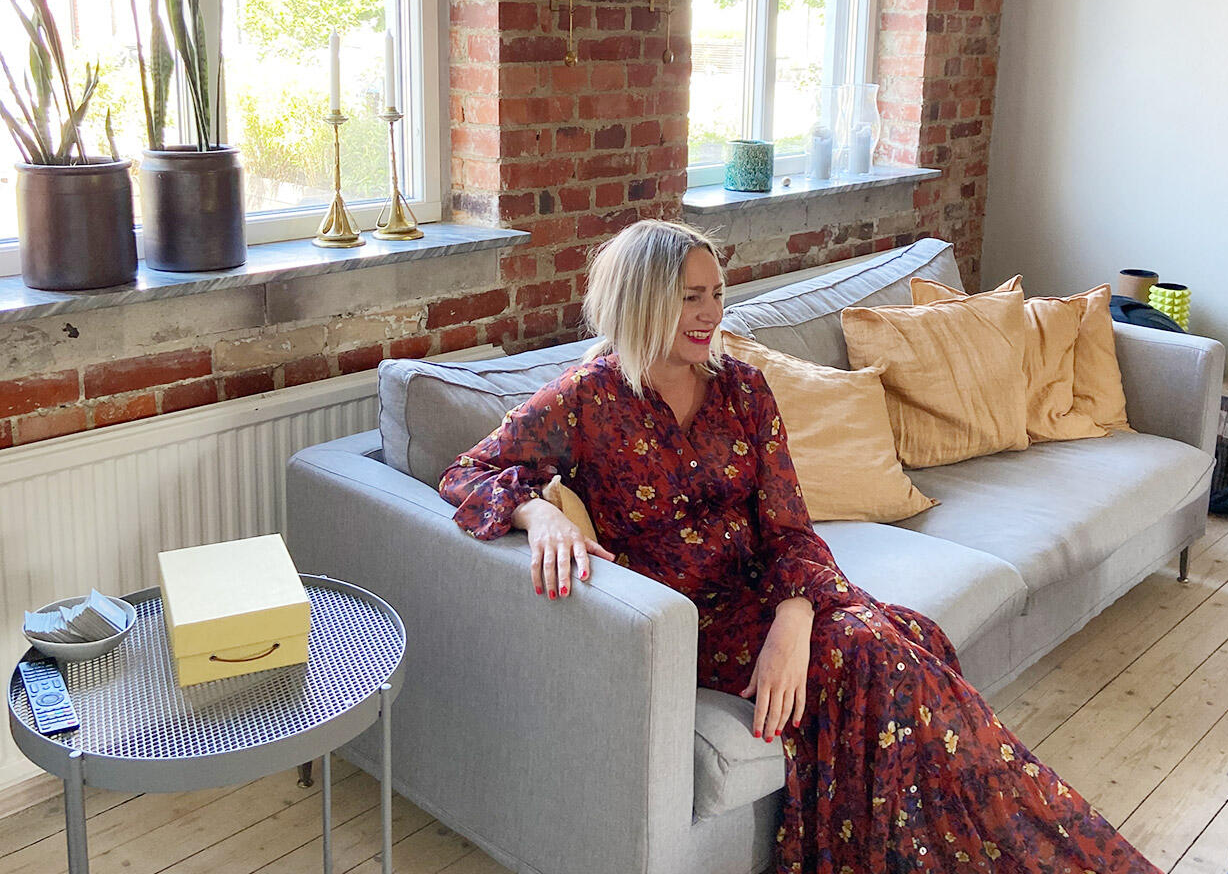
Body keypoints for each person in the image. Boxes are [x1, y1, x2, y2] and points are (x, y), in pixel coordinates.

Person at [439, 220, 1161, 874]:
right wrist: (541, 515)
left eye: (717, 293)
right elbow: (466, 472)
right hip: (687, 618)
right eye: (691, 297)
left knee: (896, 644)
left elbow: (790, 526)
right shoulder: (585, 398)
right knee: (880, 650)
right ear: (641, 301)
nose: (711, 313)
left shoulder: (745, 389)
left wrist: (794, 619)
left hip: (773, 590)